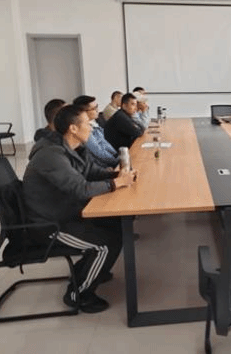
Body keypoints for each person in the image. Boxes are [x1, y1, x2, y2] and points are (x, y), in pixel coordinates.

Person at [22, 105, 136, 313]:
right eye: (87, 123)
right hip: (50, 225)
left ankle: (90, 270)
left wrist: (116, 175)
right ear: (73, 128)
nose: (92, 127)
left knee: (114, 225)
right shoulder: (51, 155)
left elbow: (91, 172)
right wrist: (116, 183)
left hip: (67, 212)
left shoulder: (73, 148)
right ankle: (78, 294)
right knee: (106, 244)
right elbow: (81, 189)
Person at [73, 95, 119, 168]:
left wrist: (117, 155)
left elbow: (104, 143)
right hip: (105, 168)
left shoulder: (94, 123)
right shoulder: (85, 130)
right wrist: (117, 161)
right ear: (83, 112)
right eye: (94, 108)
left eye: (97, 106)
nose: (98, 110)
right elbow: (99, 152)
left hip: (112, 160)